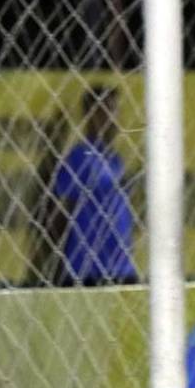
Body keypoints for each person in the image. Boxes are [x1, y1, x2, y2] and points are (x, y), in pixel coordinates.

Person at [48, 85, 138, 286]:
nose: (112, 119)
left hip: (122, 268)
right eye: (105, 112)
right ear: (89, 114)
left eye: (114, 111)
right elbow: (58, 212)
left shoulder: (116, 160)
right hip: (88, 271)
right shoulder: (79, 157)